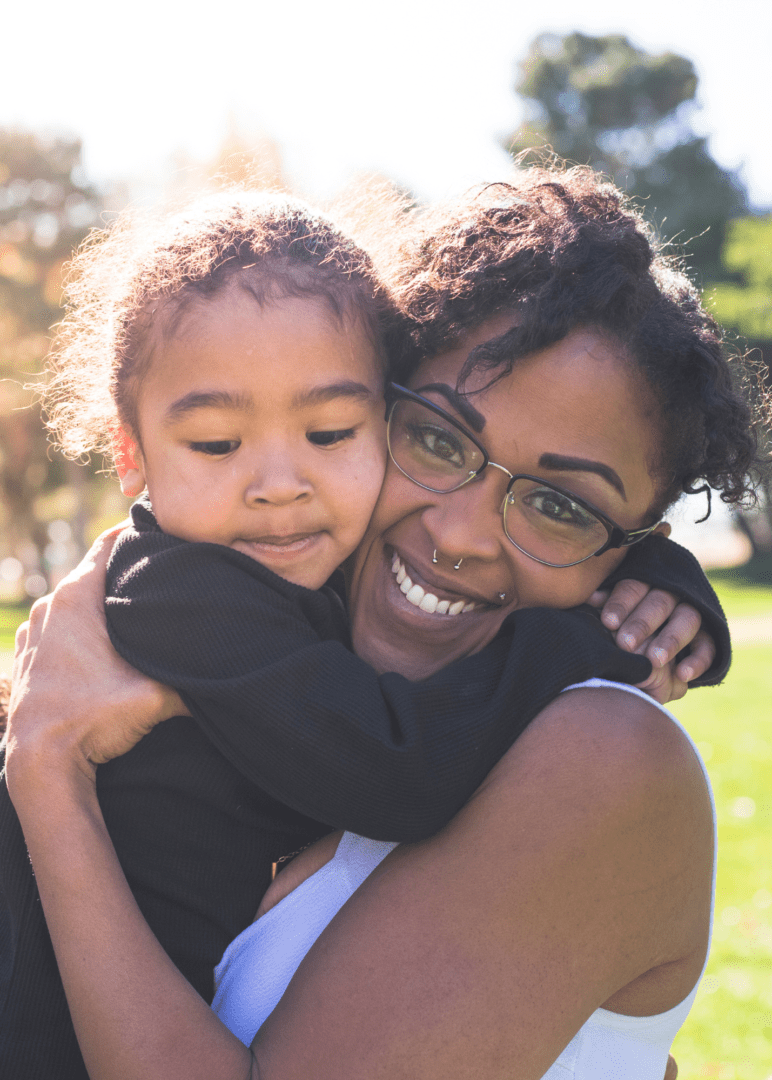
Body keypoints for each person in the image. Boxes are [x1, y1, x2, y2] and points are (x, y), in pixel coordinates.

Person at [8, 165, 762, 1079]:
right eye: (439, 441)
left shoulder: (603, 752)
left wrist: (49, 776)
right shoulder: (214, 608)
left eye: (561, 509)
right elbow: (397, 771)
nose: (459, 534)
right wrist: (590, 626)